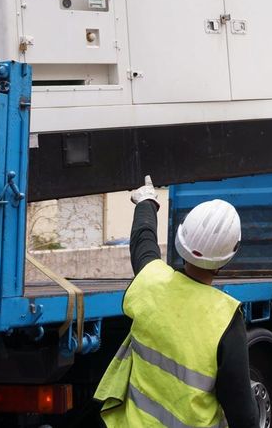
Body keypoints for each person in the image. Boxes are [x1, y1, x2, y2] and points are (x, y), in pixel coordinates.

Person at [95, 178, 259, 428]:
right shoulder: (224, 317)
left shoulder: (151, 282)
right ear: (228, 256)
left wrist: (146, 202)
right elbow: (242, 411)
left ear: (181, 238)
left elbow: (143, 243)